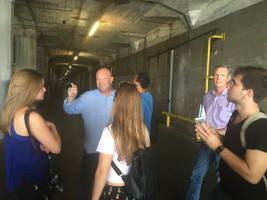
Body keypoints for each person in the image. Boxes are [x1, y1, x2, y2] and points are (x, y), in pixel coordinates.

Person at [196, 66, 267, 200]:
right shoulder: (235, 115)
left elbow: (253, 175)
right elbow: (233, 144)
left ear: (248, 93)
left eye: (233, 82)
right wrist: (215, 136)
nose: (228, 85)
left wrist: (217, 147)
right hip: (224, 188)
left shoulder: (260, 127)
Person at [0, 68, 61, 200]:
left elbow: (22, 141)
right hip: (30, 182)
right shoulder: (31, 117)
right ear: (30, 89)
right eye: (41, 86)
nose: (45, 89)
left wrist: (40, 144)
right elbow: (56, 148)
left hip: (16, 179)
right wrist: (53, 126)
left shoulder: (10, 111)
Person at [92, 82, 150, 200]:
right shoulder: (143, 130)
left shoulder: (109, 132)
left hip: (115, 190)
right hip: (137, 190)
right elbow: (145, 164)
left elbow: (102, 173)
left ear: (116, 101)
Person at [63, 68, 115, 200]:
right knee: (84, 183)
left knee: (110, 184)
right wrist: (70, 98)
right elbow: (70, 109)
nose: (100, 82)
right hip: (92, 151)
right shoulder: (87, 97)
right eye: (98, 79)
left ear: (111, 79)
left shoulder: (119, 97)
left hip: (114, 152)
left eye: (104, 78)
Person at [186, 65, 236, 200]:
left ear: (229, 78)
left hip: (223, 144)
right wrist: (200, 126)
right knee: (196, 175)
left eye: (222, 75)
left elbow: (235, 123)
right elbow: (203, 115)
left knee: (222, 179)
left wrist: (220, 131)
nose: (218, 78)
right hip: (206, 142)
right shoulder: (208, 95)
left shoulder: (232, 98)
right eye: (216, 75)